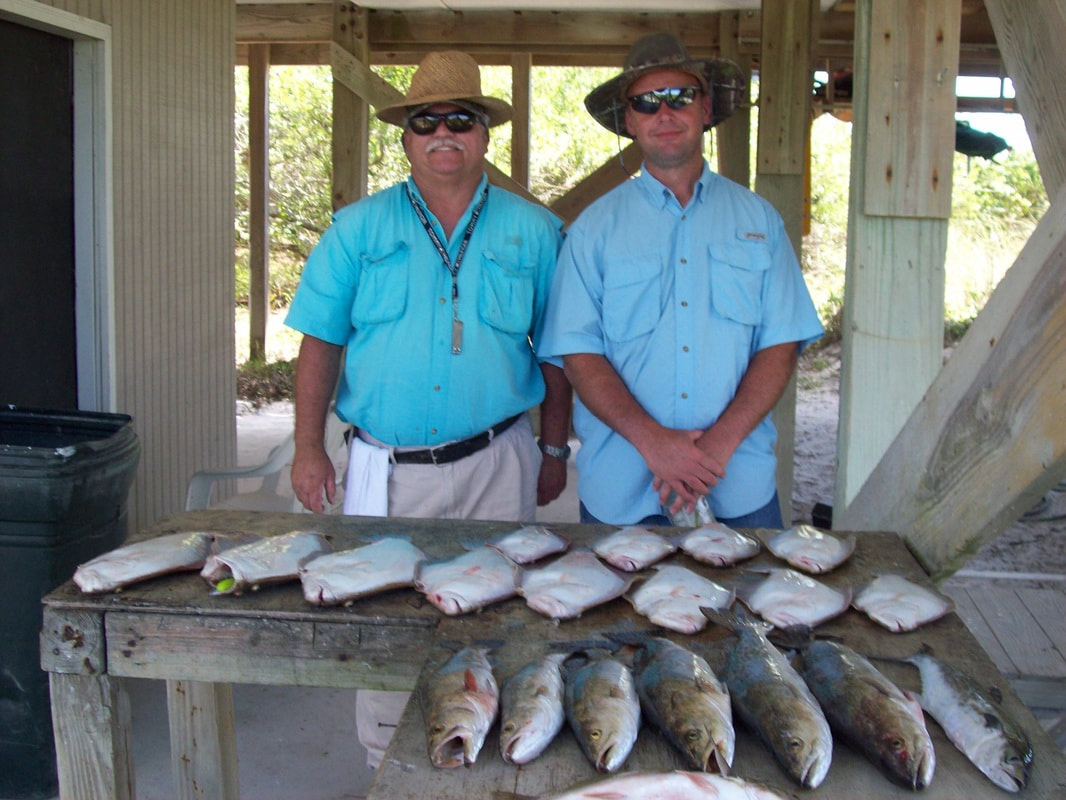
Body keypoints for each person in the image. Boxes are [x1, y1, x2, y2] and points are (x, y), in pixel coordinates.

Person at [284, 50, 571, 768]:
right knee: (387, 624)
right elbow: (320, 342)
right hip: (386, 467)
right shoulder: (358, 228)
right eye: (426, 120)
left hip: (498, 460)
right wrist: (309, 447)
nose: (445, 132)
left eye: (462, 119)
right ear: (406, 137)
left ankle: (487, 758)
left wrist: (555, 449)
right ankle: (389, 766)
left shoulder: (534, 231)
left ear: (484, 134)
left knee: (499, 619)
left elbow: (560, 352)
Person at [539, 32, 823, 530]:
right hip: (623, 494)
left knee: (751, 608)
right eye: (646, 103)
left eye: (679, 96)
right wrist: (655, 443)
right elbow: (578, 354)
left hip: (736, 482)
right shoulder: (592, 231)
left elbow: (780, 343)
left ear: (706, 108)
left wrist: (714, 447)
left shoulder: (761, 221)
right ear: (628, 121)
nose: (663, 114)